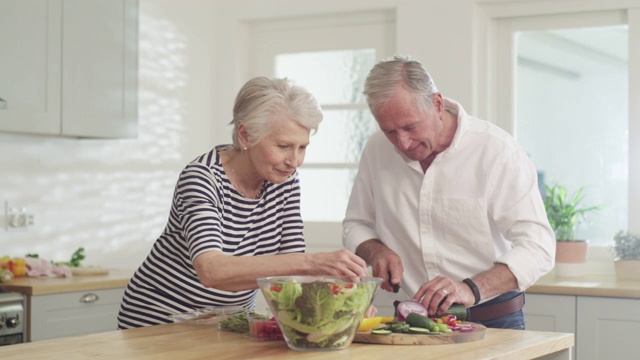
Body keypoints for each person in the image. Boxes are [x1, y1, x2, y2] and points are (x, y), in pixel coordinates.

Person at [118, 77, 368, 329]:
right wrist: (314, 262)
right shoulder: (202, 178)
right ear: (246, 135)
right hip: (159, 320)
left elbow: (292, 269)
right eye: (283, 146)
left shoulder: (284, 180)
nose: (295, 161)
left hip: (224, 322)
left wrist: (345, 303)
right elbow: (212, 270)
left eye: (302, 147)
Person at [342, 55, 555, 329]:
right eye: (390, 131)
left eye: (410, 127)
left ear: (438, 104)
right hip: (416, 323)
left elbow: (538, 247)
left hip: (494, 322)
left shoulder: (497, 152)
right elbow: (355, 224)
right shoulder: (376, 150)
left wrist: (471, 289)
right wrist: (376, 252)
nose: (403, 143)